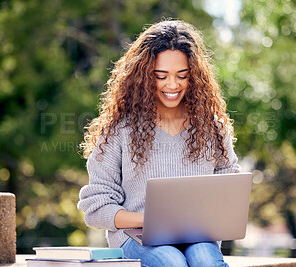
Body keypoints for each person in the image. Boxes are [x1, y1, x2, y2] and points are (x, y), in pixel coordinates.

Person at [77, 20, 241, 267]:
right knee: (170, 261)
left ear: (194, 76)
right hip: (136, 238)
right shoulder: (119, 129)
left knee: (206, 262)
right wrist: (150, 220)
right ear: (143, 76)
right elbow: (96, 208)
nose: (172, 85)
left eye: (182, 76)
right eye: (161, 76)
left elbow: (230, 189)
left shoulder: (212, 127)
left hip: (198, 237)